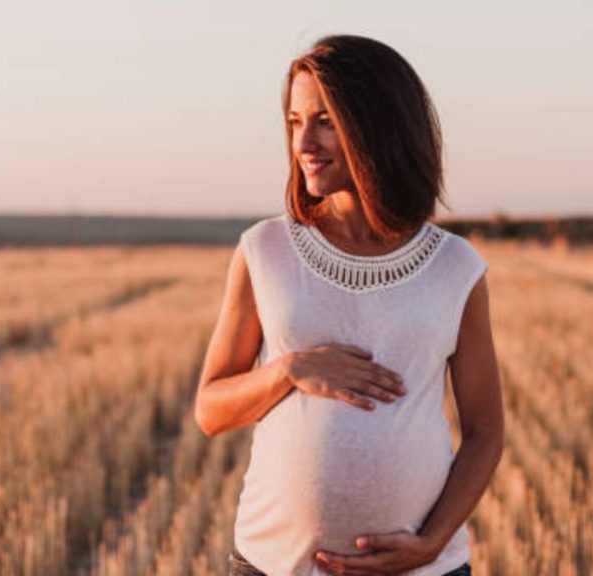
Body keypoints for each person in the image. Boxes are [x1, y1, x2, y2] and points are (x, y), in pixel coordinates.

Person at [194, 34, 504, 576]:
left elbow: (485, 432)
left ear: (378, 127)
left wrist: (431, 544)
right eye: (294, 122)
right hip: (272, 566)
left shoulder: (455, 268)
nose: (303, 143)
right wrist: (288, 371)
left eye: (325, 121)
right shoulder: (264, 251)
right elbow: (210, 409)